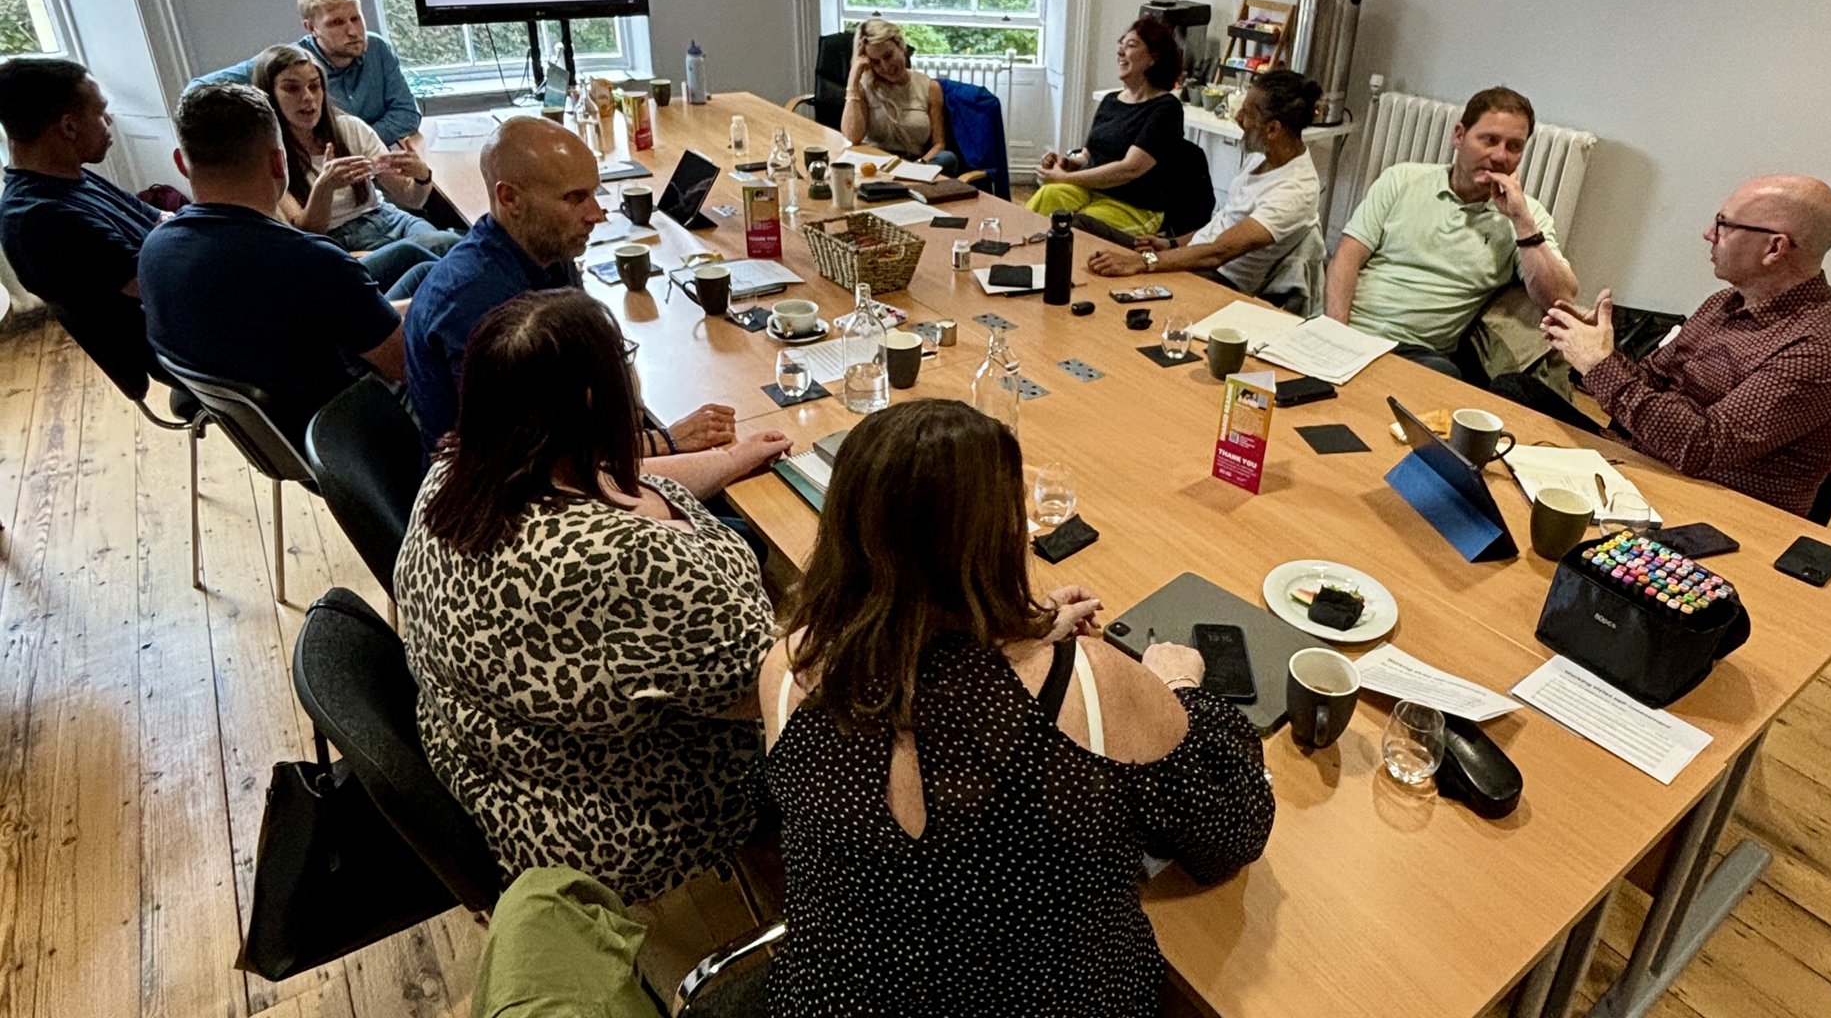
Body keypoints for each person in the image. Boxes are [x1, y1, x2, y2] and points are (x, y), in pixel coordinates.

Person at [758, 398, 1274, 1016]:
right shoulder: (1092, 684)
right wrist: (1177, 686)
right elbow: (1233, 830)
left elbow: (927, 674)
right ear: (998, 540)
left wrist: (1017, 632)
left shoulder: (789, 669)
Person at [395, 288, 785, 903]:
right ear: (591, 400)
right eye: (621, 360)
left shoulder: (456, 472)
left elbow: (601, 479)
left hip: (499, 775)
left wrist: (728, 460)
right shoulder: (627, 560)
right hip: (619, 821)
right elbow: (771, 690)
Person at [401, 117, 750, 485]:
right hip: (507, 504)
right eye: (574, 198)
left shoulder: (547, 251)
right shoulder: (476, 303)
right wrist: (661, 441)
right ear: (510, 199)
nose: (596, 214)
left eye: (594, 194)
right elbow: (530, 457)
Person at [1506, 175, 1831, 517]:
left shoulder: (1821, 350)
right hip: (1647, 459)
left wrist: (1600, 365)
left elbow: (1702, 448)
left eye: (1724, 225)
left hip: (1714, 506)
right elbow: (1650, 382)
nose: (1709, 234)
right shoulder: (1725, 302)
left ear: (1775, 247)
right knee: (1514, 390)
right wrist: (1591, 349)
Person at [138, 83, 406, 447]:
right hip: (353, 437)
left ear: (181, 162)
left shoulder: (154, 249)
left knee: (421, 274)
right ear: (278, 162)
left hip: (271, 435)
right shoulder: (309, 261)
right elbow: (408, 365)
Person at [1324, 86, 1577, 378]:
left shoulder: (1527, 216)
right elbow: (1347, 256)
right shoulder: (1402, 178)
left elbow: (1561, 300)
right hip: (1348, 329)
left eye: (1514, 147)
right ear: (1459, 135)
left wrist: (1521, 222)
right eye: (1489, 140)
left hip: (1415, 352)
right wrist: (1335, 334)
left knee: (1443, 377)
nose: (1500, 156)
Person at [0, 57, 168, 397]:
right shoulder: (42, 221)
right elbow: (160, 285)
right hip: (180, 349)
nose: (108, 121)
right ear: (68, 127)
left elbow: (158, 217)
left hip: (187, 312)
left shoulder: (66, 175)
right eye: (100, 112)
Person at [1085, 69, 1323, 299]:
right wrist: (1171, 244)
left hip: (1216, 279)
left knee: (1108, 285)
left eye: (1247, 113)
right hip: (1191, 259)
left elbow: (1220, 252)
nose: (1238, 117)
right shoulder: (1262, 156)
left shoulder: (1296, 189)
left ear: (1273, 129)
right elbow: (1224, 222)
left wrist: (1142, 262)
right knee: (1078, 225)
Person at [251, 44, 456, 295]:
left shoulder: (349, 129)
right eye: (292, 88)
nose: (308, 97)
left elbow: (411, 199)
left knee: (449, 248)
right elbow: (306, 233)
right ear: (269, 94)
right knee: (430, 254)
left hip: (387, 220)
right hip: (335, 247)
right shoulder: (268, 156)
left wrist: (422, 177)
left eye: (315, 86)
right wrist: (324, 187)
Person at [1029, 17, 1212, 237]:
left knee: (1078, 228)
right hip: (1092, 190)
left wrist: (1065, 178)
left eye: (1131, 45)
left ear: (1154, 58)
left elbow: (1130, 168)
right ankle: (1014, 258)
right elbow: (1088, 156)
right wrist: (1066, 163)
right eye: (1121, 45)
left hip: (1135, 206)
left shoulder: (1166, 108)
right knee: (1048, 195)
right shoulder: (1111, 100)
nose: (1120, 52)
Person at [189, 0, 421, 147]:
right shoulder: (288, 62)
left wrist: (357, 143)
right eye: (336, 23)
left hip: (375, 163)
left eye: (355, 18)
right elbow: (197, 89)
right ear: (311, 29)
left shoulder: (377, 49)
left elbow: (407, 113)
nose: (352, 31)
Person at [839, 18, 959, 175]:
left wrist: (917, 166)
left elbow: (939, 144)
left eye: (888, 56)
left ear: (901, 46)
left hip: (915, 167)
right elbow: (853, 137)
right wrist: (853, 80)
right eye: (875, 62)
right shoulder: (864, 87)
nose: (885, 67)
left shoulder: (929, 87)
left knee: (948, 158)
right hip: (874, 168)